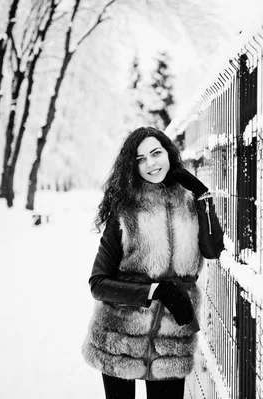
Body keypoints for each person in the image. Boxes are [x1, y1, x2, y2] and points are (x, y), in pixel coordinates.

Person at [82, 126, 224, 399]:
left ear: (169, 154)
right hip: (119, 339)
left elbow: (213, 249)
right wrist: (153, 291)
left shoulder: (191, 202)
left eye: (156, 153)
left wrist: (203, 195)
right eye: (140, 159)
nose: (150, 164)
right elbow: (98, 283)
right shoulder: (125, 209)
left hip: (172, 342)